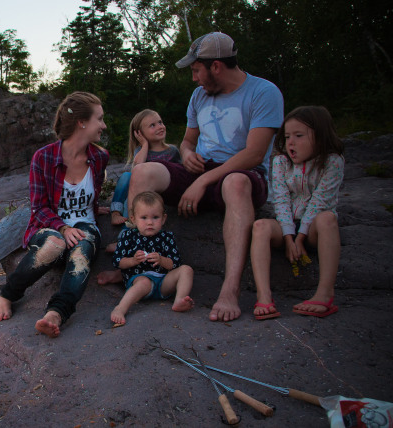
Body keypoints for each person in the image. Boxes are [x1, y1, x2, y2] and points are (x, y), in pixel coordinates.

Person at [118, 32, 284, 322]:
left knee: (235, 181)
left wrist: (203, 181)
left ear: (216, 66)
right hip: (200, 172)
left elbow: (255, 154)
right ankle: (133, 262)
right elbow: (187, 142)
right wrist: (187, 152)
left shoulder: (263, 92)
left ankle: (229, 291)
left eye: (196, 70)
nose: (194, 78)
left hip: (242, 176)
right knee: (143, 171)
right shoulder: (199, 96)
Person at [0, 91, 109, 338]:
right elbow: (39, 207)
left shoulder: (100, 157)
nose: (103, 125)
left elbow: (92, 197)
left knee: (82, 249)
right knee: (54, 244)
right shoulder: (43, 158)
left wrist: (104, 211)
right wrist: (63, 228)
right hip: (50, 227)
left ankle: (56, 313)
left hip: (85, 226)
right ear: (82, 122)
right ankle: (8, 294)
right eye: (99, 119)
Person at [250, 106, 344, 319]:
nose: (290, 142)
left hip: (313, 228)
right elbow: (281, 200)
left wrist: (300, 237)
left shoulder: (332, 162)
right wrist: (288, 236)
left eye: (299, 136)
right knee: (260, 226)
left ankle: (324, 294)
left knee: (328, 218)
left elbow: (320, 201)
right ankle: (264, 296)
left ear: (320, 136)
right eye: (287, 136)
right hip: (287, 225)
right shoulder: (281, 162)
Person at [110, 191, 194, 325]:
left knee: (186, 270)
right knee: (143, 282)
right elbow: (118, 261)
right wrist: (133, 260)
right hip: (139, 280)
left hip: (163, 282)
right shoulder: (128, 237)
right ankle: (121, 308)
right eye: (143, 218)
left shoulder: (167, 237)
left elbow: (175, 263)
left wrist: (162, 260)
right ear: (133, 218)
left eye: (155, 217)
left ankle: (180, 299)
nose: (150, 222)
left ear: (164, 218)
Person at [109, 110, 182, 227]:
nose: (160, 127)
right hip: (142, 193)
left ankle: (129, 230)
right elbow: (138, 169)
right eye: (152, 125)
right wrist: (145, 145)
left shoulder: (172, 151)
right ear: (140, 133)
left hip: (161, 193)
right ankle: (116, 213)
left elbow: (179, 173)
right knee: (126, 177)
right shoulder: (141, 151)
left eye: (160, 122)